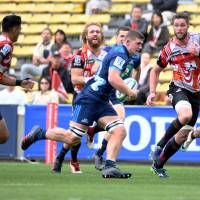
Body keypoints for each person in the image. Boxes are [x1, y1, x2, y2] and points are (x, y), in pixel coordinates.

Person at [21, 30, 144, 178]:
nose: (140, 47)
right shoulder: (121, 53)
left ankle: (110, 167)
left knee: (119, 130)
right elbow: (112, 78)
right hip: (89, 98)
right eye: (138, 43)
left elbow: (108, 72)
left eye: (141, 44)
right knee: (72, 138)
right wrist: (130, 91)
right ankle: (39, 133)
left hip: (101, 100)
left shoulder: (124, 53)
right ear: (128, 42)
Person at [146, 13, 200, 178]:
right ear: (172, 27)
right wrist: (152, 92)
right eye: (176, 25)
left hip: (196, 92)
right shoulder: (169, 48)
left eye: (182, 25)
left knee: (182, 135)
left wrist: (198, 53)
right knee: (185, 115)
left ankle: (159, 164)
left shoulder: (197, 40)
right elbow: (155, 71)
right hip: (178, 87)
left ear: (188, 26)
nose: (179, 28)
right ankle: (159, 145)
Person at [51, 22, 104, 173]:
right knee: (75, 135)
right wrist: (93, 78)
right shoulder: (79, 55)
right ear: (86, 36)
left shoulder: (106, 54)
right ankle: (67, 158)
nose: (95, 34)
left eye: (97, 32)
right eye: (92, 32)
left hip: (101, 97)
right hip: (83, 97)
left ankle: (93, 133)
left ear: (101, 36)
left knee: (117, 122)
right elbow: (75, 79)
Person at [91, 26, 141, 170]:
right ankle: (93, 135)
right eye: (121, 36)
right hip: (105, 89)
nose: (123, 39)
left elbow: (137, 68)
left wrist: (132, 83)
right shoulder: (108, 50)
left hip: (117, 91)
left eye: (126, 37)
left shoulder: (134, 55)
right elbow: (95, 69)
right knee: (76, 132)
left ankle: (99, 153)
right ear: (117, 38)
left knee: (120, 120)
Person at [0, 14, 34, 144]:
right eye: (19, 29)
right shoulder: (6, 44)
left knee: (3, 135)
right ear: (15, 29)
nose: (20, 32)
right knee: (3, 135)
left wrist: (19, 82)